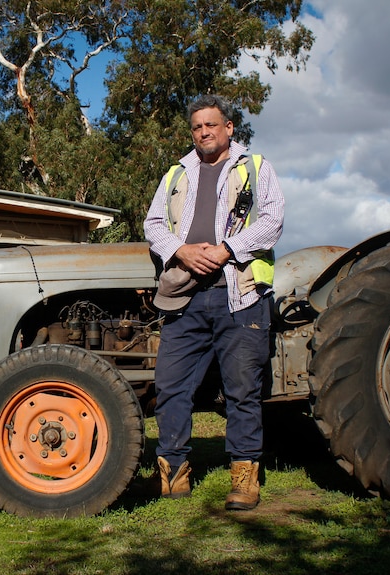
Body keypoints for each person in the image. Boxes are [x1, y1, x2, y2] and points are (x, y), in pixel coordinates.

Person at [143, 94, 284, 510]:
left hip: (239, 296)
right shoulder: (176, 174)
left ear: (229, 128)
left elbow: (272, 222)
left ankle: (244, 479)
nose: (204, 131)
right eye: (197, 127)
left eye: (211, 124)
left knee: (242, 390)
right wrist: (181, 251)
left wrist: (226, 249)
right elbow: (153, 224)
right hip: (185, 297)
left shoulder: (256, 169)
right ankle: (173, 476)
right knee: (170, 388)